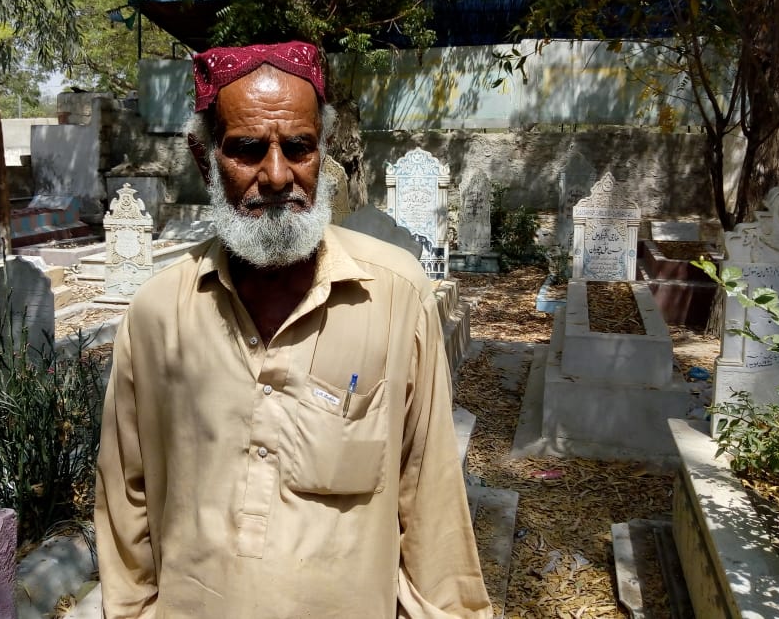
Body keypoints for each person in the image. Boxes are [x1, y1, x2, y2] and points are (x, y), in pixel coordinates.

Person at [94, 41, 492, 618]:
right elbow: (125, 503)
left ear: (321, 151)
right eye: (248, 149)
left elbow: (429, 495)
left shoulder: (394, 295)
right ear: (205, 158)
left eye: (299, 148)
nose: (278, 176)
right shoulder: (158, 313)